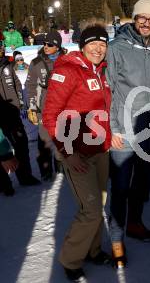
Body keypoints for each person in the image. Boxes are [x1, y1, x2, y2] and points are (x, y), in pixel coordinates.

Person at [42, 25, 112, 282]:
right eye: (93, 43)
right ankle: (71, 259)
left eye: (103, 44)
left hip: (100, 150)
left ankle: (93, 251)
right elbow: (50, 117)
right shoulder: (68, 70)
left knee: (99, 205)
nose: (98, 48)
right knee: (91, 209)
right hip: (76, 155)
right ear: (82, 46)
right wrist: (66, 152)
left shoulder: (100, 70)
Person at [106, 0, 150, 267]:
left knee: (142, 182)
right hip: (123, 129)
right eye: (142, 18)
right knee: (119, 187)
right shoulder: (116, 47)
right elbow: (107, 90)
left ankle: (136, 223)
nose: (146, 23)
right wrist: (111, 128)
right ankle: (116, 240)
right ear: (134, 18)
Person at [0, 42, 40, 195]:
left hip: (12, 113)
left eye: (2, 45)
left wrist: (19, 101)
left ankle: (25, 176)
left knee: (22, 144)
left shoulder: (7, 63)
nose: (2, 48)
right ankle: (4, 184)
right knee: (1, 148)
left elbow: (16, 82)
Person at [26, 31, 65, 180]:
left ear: (58, 46)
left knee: (64, 139)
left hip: (64, 109)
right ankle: (46, 170)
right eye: (44, 43)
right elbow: (30, 86)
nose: (46, 46)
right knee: (44, 142)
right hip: (45, 109)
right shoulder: (36, 62)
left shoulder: (67, 60)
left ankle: (61, 166)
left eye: (50, 44)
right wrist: (32, 107)